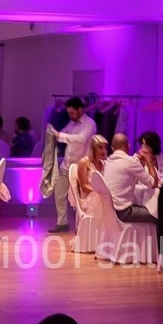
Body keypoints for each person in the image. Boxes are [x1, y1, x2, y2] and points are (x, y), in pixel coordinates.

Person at [49, 97, 98, 232]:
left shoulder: (90, 123)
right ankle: (62, 223)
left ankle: (81, 225)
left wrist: (60, 135)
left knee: (80, 198)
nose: (70, 115)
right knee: (59, 193)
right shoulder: (72, 123)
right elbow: (64, 133)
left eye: (72, 112)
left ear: (80, 110)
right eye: (69, 113)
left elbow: (81, 139)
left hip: (81, 167)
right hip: (66, 165)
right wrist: (55, 134)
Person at [102, 133, 159, 222]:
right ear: (128, 146)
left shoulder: (108, 162)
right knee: (160, 214)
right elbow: (154, 183)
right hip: (123, 212)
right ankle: (160, 237)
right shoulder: (130, 162)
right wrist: (149, 161)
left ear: (112, 148)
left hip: (109, 211)